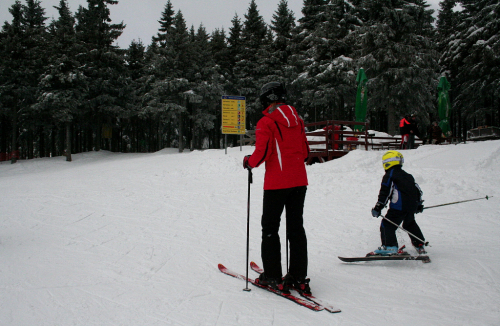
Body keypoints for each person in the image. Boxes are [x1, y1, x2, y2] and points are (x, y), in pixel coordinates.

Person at [243, 81, 311, 294]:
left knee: (270, 228)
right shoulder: (298, 120)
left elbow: (261, 154)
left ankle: (273, 276)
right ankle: (299, 277)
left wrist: (248, 161)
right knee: (296, 228)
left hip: (276, 184)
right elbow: (306, 153)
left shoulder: (266, 122)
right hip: (299, 181)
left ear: (268, 100)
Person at [369, 150, 427, 256]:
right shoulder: (408, 175)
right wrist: (417, 204)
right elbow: (417, 190)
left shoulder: (390, 175)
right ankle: (419, 244)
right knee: (409, 224)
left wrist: (378, 207)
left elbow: (385, 192)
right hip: (410, 207)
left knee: (387, 224)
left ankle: (390, 246)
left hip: (398, 207)